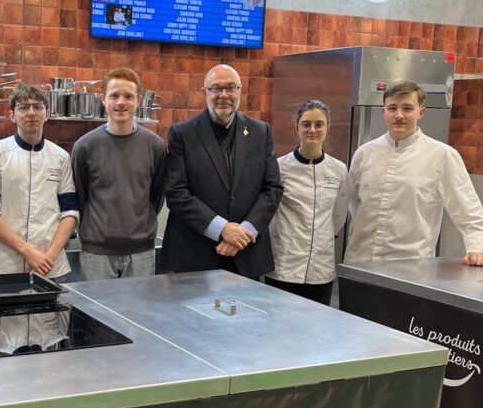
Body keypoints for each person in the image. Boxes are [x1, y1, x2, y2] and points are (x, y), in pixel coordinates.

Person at [160, 63, 282, 278]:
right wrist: (222, 229)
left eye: (230, 88)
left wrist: (243, 233)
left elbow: (272, 188)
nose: (223, 95)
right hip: (194, 253)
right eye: (216, 88)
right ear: (204, 92)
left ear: (240, 91)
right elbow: (176, 193)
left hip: (246, 252)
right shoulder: (182, 133)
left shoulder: (260, 132)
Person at [345, 80, 483, 267]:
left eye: (407, 108)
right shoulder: (364, 153)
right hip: (360, 260)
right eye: (392, 108)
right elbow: (353, 202)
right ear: (383, 112)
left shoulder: (442, 155)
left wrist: (477, 248)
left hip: (411, 265)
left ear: (421, 112)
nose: (399, 115)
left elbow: (467, 208)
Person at [72, 68, 165, 280]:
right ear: (103, 99)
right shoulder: (84, 147)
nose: (121, 102)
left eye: (128, 96)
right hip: (96, 254)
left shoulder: (155, 146)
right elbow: (80, 197)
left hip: (141, 253)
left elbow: (156, 196)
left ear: (138, 100)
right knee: (95, 304)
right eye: (114, 96)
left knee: (139, 304)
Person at [0, 85, 79, 277]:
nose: (31, 113)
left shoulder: (60, 157)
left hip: (50, 266)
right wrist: (29, 253)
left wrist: (48, 257)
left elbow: (70, 211)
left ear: (47, 114)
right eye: (23, 107)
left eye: (37, 107)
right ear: (12, 115)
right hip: (6, 267)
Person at [265, 99, 349, 305]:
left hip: (321, 267)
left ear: (327, 127)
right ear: (297, 127)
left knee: (317, 322)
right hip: (284, 265)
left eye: (319, 124)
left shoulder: (339, 170)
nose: (312, 130)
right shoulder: (279, 167)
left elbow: (338, 216)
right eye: (306, 124)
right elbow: (269, 212)